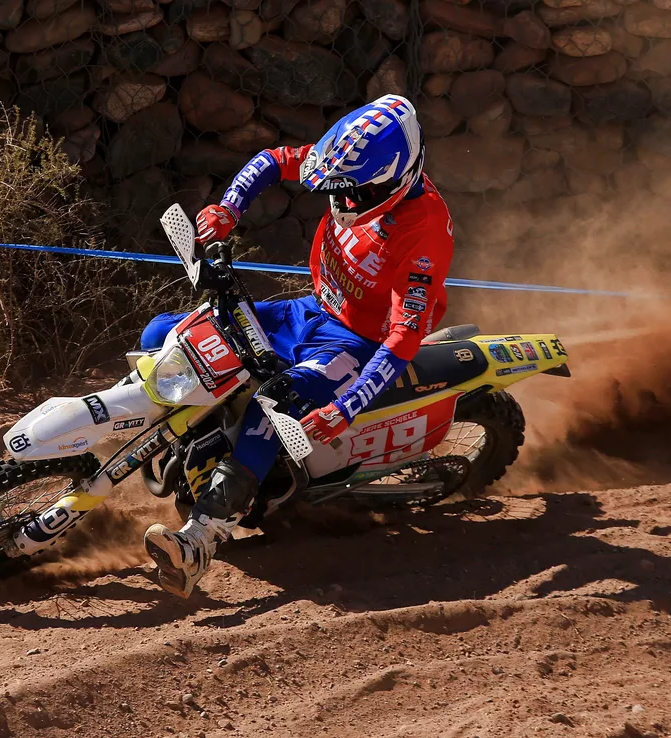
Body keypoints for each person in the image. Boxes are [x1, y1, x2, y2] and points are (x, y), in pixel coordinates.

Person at [140, 94, 455, 598]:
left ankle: (200, 540)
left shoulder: (424, 235)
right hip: (309, 311)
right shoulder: (354, 166)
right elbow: (272, 160)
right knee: (161, 333)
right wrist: (228, 208)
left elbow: (402, 339)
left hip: (358, 344)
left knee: (271, 408)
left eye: (352, 194)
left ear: (393, 178)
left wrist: (347, 407)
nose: (341, 202)